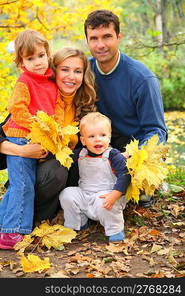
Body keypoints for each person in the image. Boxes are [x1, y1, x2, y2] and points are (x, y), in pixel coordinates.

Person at [0, 44, 97, 249]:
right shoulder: (39, 97)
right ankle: (20, 223)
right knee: (56, 169)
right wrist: (21, 150)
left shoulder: (85, 104)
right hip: (30, 170)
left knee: (71, 162)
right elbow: (8, 128)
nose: (71, 76)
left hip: (58, 174)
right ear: (54, 71)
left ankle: (50, 216)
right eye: (65, 69)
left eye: (77, 71)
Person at [84, 9, 168, 207]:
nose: (100, 44)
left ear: (118, 37)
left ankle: (152, 183)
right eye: (94, 38)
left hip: (134, 146)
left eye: (107, 37)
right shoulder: (83, 72)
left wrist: (132, 154)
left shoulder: (142, 79)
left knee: (138, 195)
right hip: (100, 142)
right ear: (87, 41)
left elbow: (157, 131)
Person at [59, 112, 131, 242]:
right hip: (85, 195)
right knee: (67, 194)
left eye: (103, 135)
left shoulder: (113, 155)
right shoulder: (79, 154)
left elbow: (125, 175)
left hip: (107, 195)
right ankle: (78, 224)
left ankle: (115, 230)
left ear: (109, 137)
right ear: (83, 140)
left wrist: (115, 194)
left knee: (106, 205)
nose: (98, 139)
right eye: (91, 136)